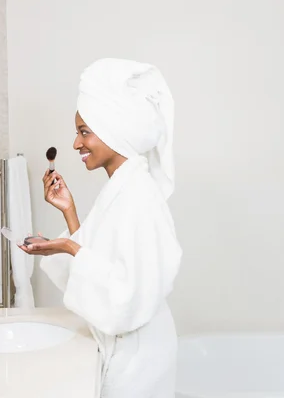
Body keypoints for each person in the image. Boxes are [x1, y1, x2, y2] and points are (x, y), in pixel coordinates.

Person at [18, 58, 183, 398]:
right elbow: (106, 263)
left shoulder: (139, 197)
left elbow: (128, 294)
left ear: (113, 133)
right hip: (128, 350)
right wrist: (70, 212)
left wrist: (67, 247)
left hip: (140, 361)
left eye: (84, 132)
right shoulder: (123, 189)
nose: (76, 144)